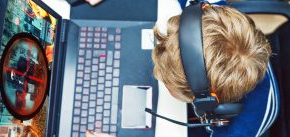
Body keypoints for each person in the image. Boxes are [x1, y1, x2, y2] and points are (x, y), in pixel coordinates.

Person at [85, 1, 271, 137]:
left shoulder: (237, 132)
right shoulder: (215, 16)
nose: (157, 75)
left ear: (203, 104)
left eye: (166, 83)